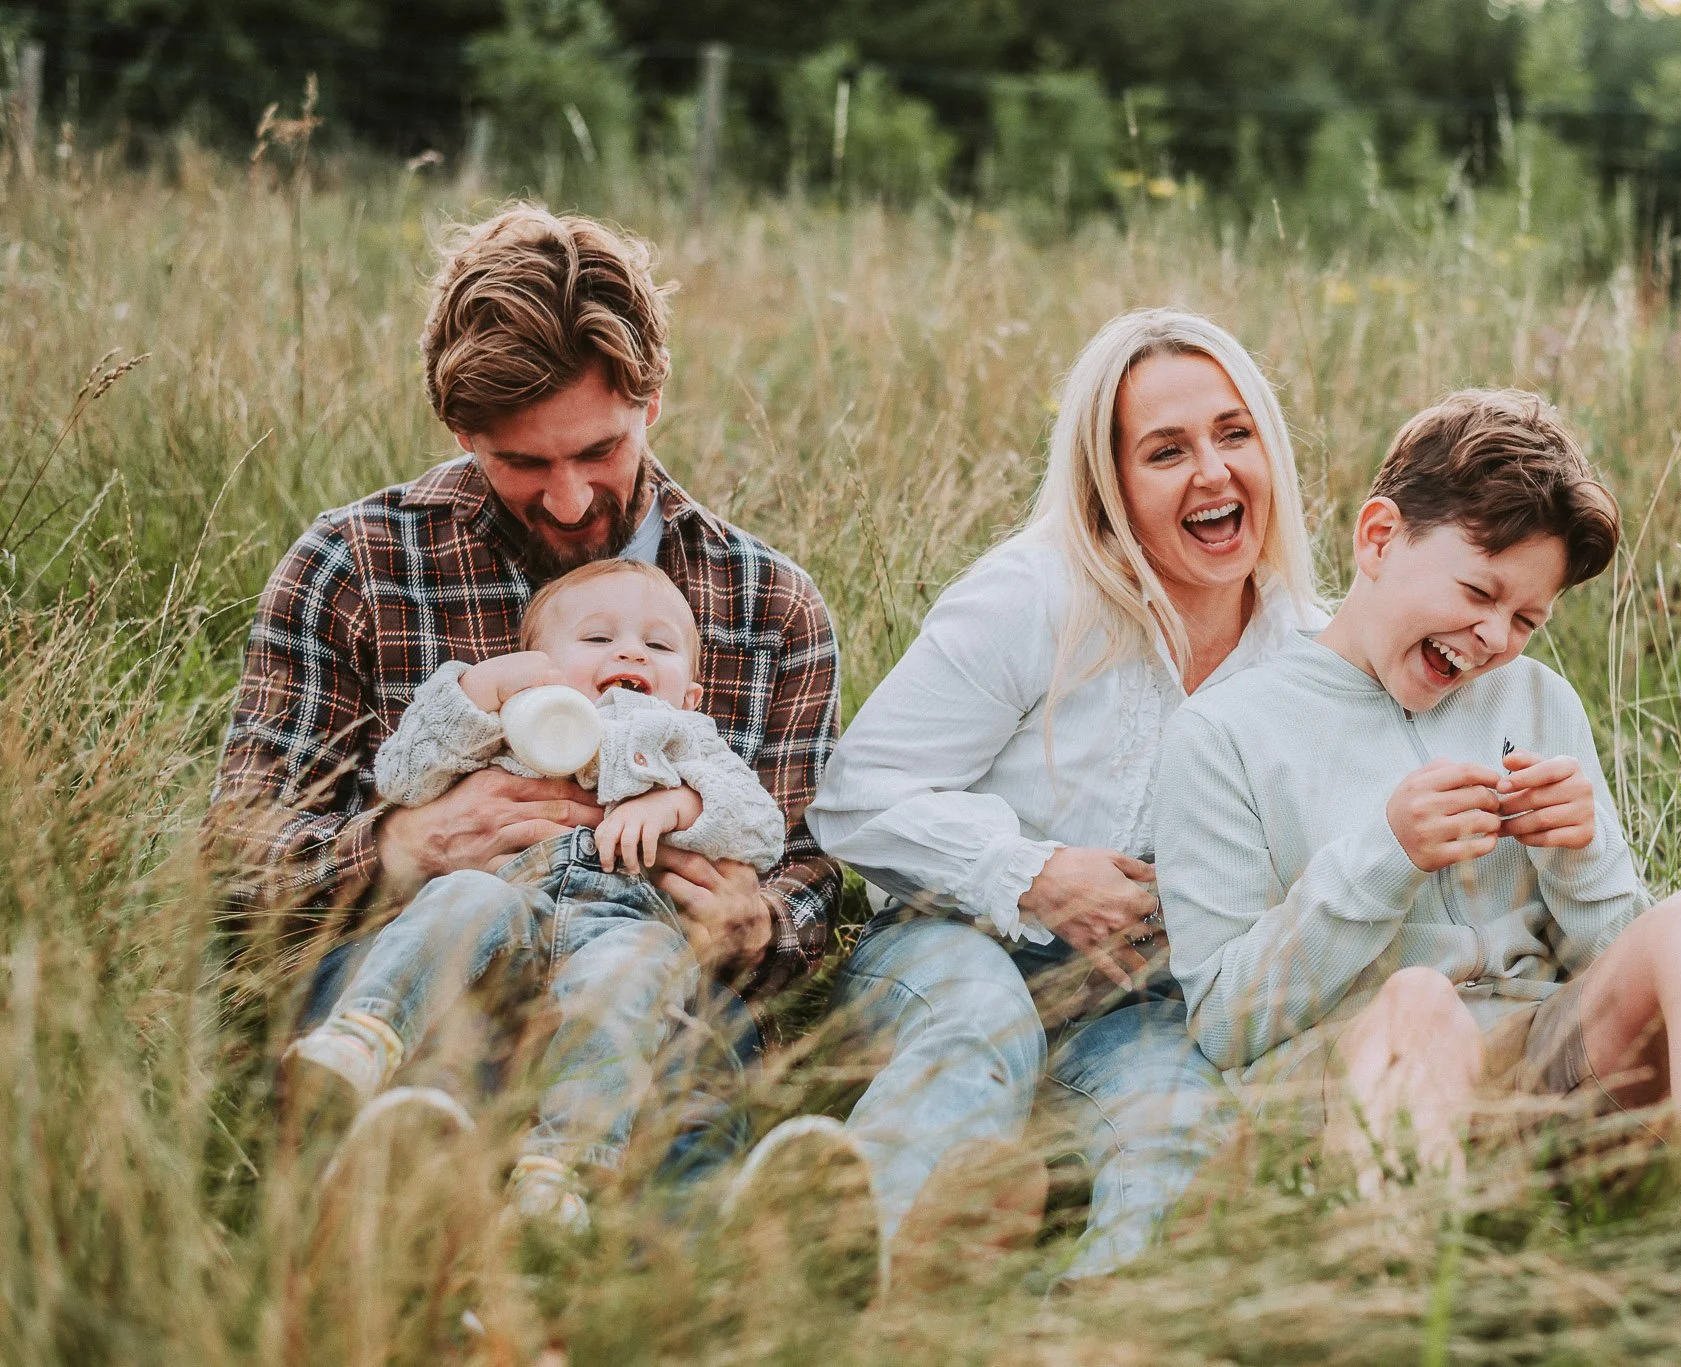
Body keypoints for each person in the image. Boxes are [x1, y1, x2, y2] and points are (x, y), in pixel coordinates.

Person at [210, 204, 842, 1186]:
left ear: (651, 403)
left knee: (682, 1098)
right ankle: (407, 1270)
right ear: (461, 429)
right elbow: (237, 856)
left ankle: (660, 1295)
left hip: (644, 985)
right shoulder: (352, 567)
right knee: (423, 1086)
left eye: (599, 451)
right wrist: (397, 847)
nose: (569, 499)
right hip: (417, 969)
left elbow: (806, 875)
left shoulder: (765, 603)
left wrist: (757, 919)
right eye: (522, 462)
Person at [1155, 389, 1681, 1208]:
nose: (1495, 638)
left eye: (1527, 619)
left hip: (1542, 1073)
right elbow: (1225, 1022)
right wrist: (1385, 854)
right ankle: (1404, 1298)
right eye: (1478, 592)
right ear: (1380, 538)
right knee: (1419, 1006)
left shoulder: (1537, 701)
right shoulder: (1222, 732)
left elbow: (1616, 966)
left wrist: (1583, 857)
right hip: (1353, 1082)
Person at [804, 308, 1326, 1284]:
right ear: (1110, 483)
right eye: (1165, 450)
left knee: (1175, 1131)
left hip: (1144, 1001)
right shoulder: (1029, 596)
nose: (1211, 473)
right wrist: (1032, 872)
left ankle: (1090, 1327)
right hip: (954, 941)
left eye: (1232, 434)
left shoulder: (1307, 652)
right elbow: (854, 796)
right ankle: (842, 1272)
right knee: (978, 1025)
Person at [283, 558, 786, 1229]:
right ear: (537, 666)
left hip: (624, 921)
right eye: (597, 639)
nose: (630, 650)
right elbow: (401, 775)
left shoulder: (688, 742)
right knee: (460, 895)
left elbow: (763, 827)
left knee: (622, 991)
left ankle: (562, 1167)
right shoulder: (512, 724)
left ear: (690, 696)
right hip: (510, 905)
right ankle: (363, 1036)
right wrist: (478, 693)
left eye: (658, 645)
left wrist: (679, 804)